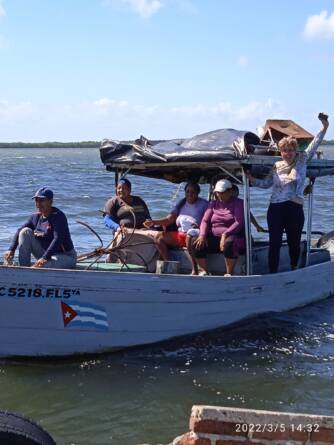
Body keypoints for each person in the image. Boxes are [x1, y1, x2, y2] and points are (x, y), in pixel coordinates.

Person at [247, 113, 329, 273]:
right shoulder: (276, 166)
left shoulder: (302, 160)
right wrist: (252, 180)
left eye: (290, 150)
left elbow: (315, 143)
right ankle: (273, 272)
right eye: (284, 150)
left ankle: (293, 268)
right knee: (275, 243)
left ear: (295, 150)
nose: (287, 153)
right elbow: (267, 184)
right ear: (280, 151)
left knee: (293, 242)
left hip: (294, 208)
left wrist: (324, 127)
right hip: (276, 208)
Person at [143, 182, 208, 274]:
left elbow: (208, 220)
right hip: (180, 234)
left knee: (190, 238)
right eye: (187, 192)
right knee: (158, 238)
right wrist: (153, 222)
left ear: (198, 193)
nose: (190, 194)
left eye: (193, 192)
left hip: (194, 235)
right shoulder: (181, 203)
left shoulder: (204, 204)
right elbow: (169, 219)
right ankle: (169, 264)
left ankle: (195, 269)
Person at [4, 187, 77, 268]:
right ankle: (23, 269)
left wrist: (44, 258)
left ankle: (30, 272)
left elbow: (58, 239)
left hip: (65, 256)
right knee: (25, 231)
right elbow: (19, 230)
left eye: (42, 200)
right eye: (36, 200)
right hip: (46, 254)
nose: (38, 203)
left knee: (40, 267)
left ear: (51, 202)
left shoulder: (58, 216)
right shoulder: (35, 217)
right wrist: (11, 249)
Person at [193, 179, 245, 276]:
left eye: (222, 193)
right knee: (196, 242)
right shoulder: (213, 204)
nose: (219, 195)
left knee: (229, 243)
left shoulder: (238, 203)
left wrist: (225, 234)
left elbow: (239, 222)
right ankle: (204, 271)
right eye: (218, 193)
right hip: (215, 237)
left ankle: (229, 272)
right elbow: (205, 220)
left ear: (230, 191)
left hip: (234, 237)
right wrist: (202, 234)